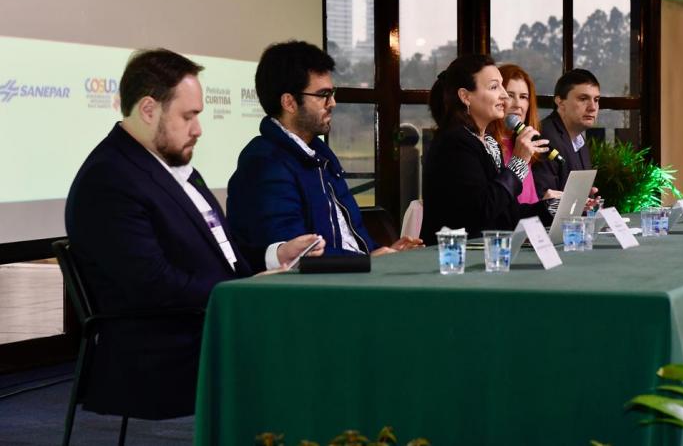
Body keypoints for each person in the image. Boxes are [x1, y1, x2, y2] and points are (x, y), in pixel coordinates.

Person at [65, 49, 321, 419]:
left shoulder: (172, 163)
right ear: (149, 109)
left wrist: (275, 256)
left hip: (212, 323)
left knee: (320, 324)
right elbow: (151, 285)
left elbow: (222, 250)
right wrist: (239, 293)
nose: (198, 129)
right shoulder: (109, 181)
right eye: (188, 116)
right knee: (312, 343)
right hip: (167, 348)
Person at [227, 40, 422, 271]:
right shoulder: (264, 164)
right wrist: (369, 261)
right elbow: (298, 255)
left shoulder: (321, 154)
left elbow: (352, 237)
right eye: (323, 95)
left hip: (352, 281)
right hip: (316, 297)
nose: (333, 103)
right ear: (289, 102)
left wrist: (384, 252)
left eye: (333, 93)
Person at [420, 55, 553, 244]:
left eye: (501, 86)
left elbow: (507, 215)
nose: (504, 95)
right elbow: (480, 212)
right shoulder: (454, 142)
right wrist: (517, 163)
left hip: (484, 254)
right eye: (494, 87)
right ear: (465, 96)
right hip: (453, 258)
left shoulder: (488, 142)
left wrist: (555, 207)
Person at [488, 64, 561, 205]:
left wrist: (551, 204)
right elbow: (496, 207)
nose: (518, 104)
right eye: (510, 95)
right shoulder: (487, 144)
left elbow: (528, 207)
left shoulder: (522, 144)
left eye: (523, 97)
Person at [532, 68, 601, 198]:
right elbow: (544, 200)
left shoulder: (580, 140)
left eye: (596, 100)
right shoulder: (545, 137)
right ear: (560, 102)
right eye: (583, 98)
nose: (592, 107)